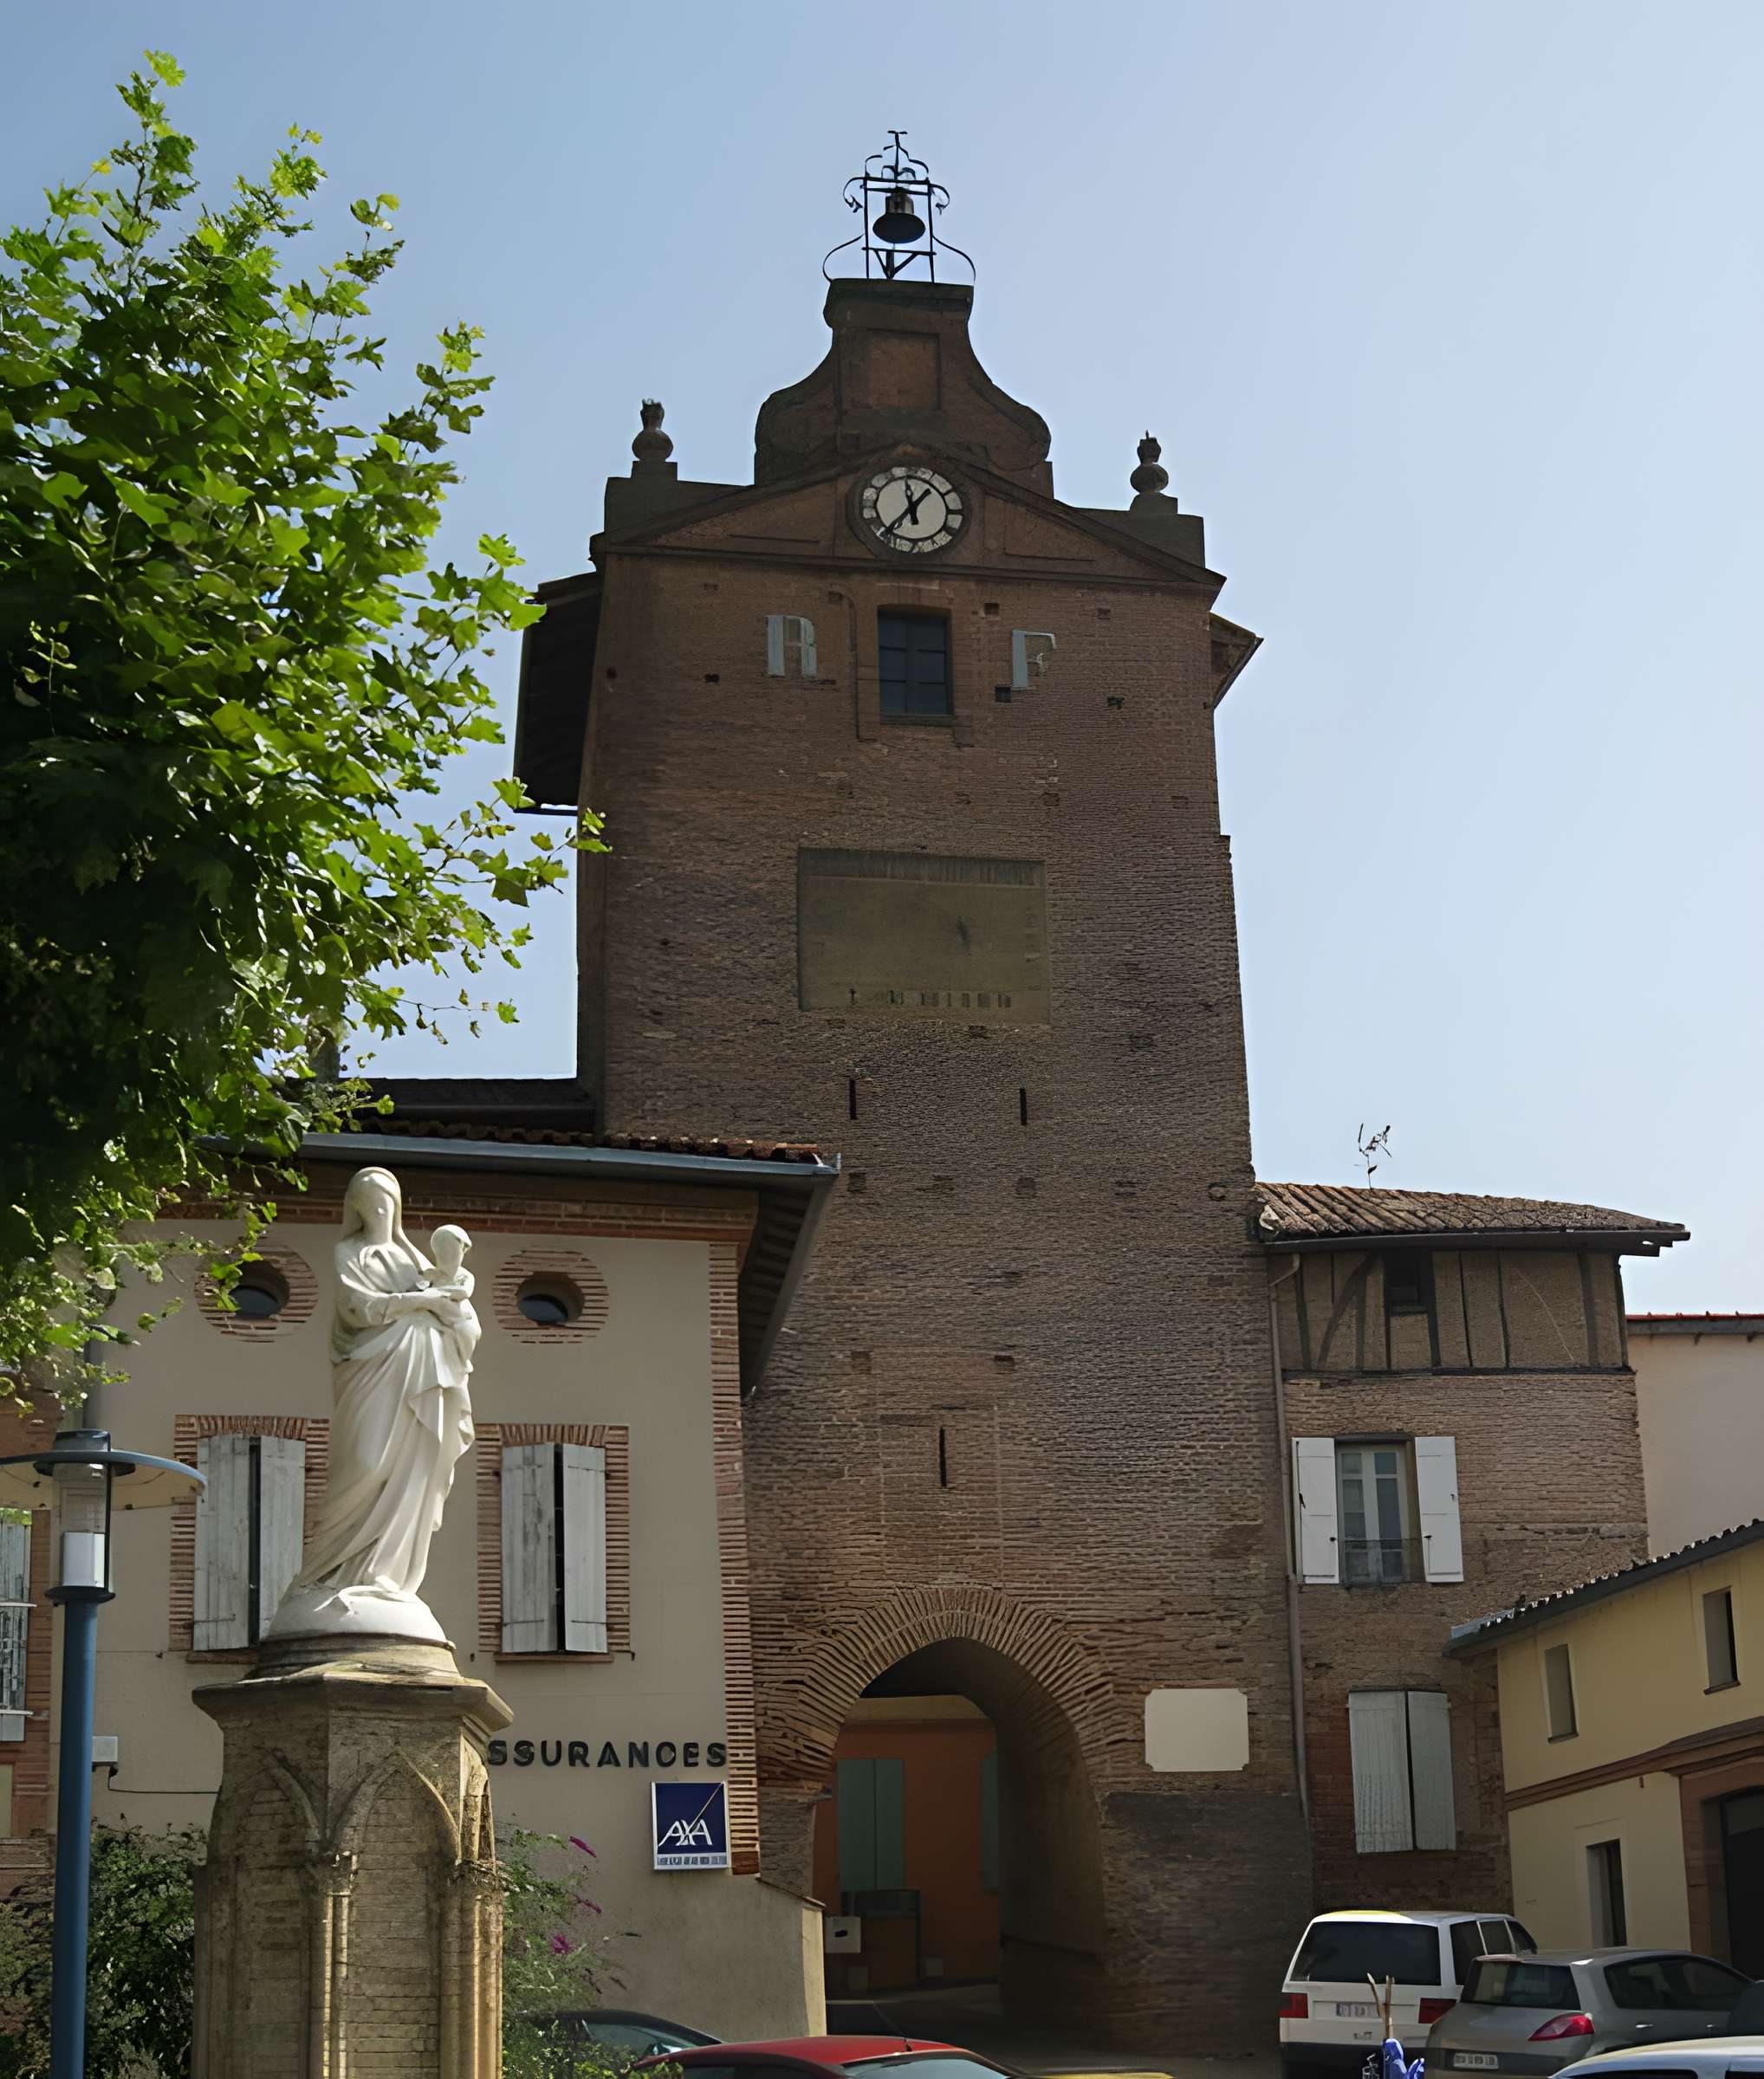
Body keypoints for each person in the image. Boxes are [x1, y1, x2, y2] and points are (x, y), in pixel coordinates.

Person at [268, 1167, 479, 1642]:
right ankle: (324, 1575)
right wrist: (419, 1302)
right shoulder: (350, 1253)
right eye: (369, 1204)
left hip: (424, 1377)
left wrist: (446, 1300)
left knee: (413, 1474)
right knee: (363, 1463)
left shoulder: (415, 1260)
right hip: (370, 1373)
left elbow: (458, 1314)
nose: (379, 1212)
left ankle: (386, 1580)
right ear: (357, 1210)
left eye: (386, 1204)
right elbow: (358, 1309)